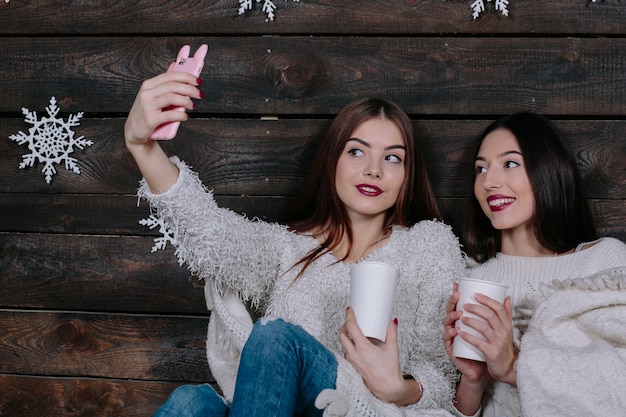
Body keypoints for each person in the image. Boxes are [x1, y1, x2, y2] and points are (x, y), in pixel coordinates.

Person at [124, 64, 466, 417]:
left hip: (362, 409)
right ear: (332, 160)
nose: (373, 169)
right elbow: (213, 236)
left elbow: (443, 375)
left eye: (392, 157)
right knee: (190, 402)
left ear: (409, 174)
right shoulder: (286, 246)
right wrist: (142, 147)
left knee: (274, 334)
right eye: (356, 151)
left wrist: (400, 388)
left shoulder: (428, 244)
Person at [442, 112, 626, 417]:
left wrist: (514, 368)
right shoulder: (470, 279)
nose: (489, 181)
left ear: (548, 171)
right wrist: (473, 380)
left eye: (509, 163)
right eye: (481, 168)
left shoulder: (604, 265)